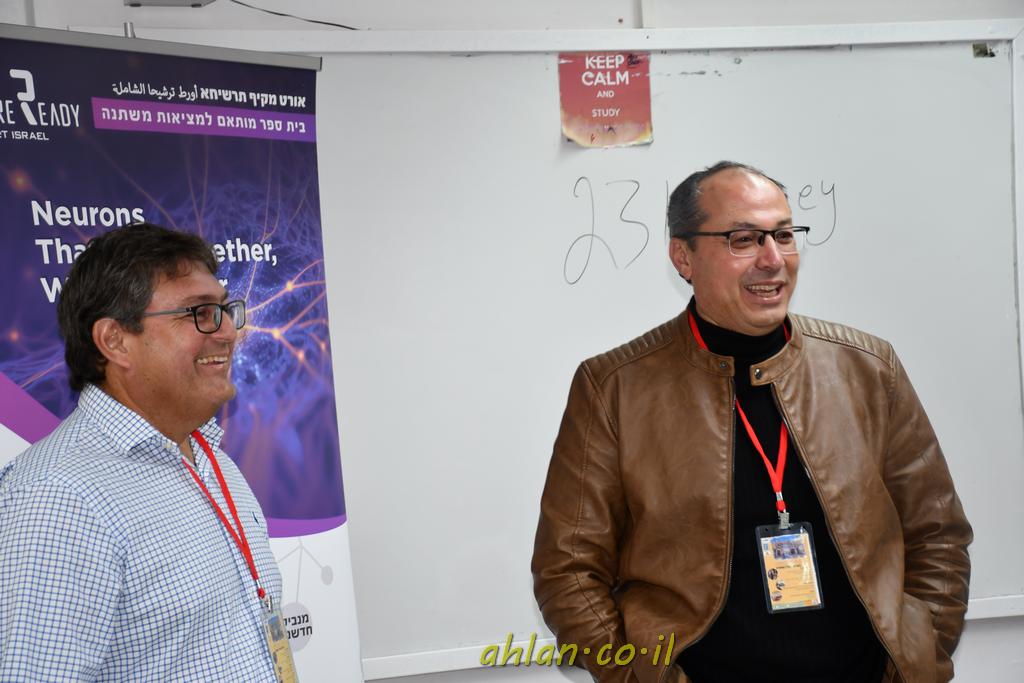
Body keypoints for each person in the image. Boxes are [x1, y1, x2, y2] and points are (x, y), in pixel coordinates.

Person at [532, 162, 972, 683]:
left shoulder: (869, 368)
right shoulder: (615, 388)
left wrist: (917, 656)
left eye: (784, 235)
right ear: (683, 257)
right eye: (743, 239)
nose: (773, 260)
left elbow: (938, 535)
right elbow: (567, 570)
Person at [0, 223, 290, 680]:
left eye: (225, 309)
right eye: (200, 312)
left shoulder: (208, 456)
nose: (229, 332)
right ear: (115, 340)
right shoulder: (57, 498)